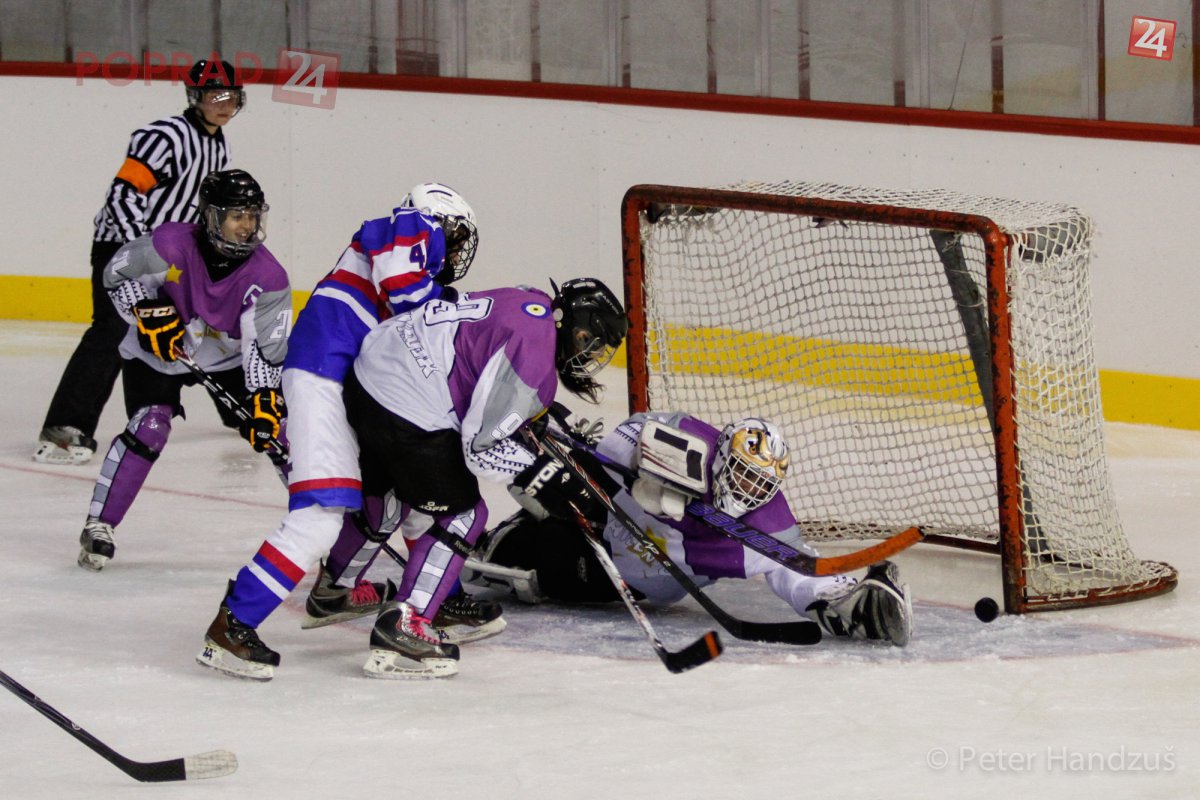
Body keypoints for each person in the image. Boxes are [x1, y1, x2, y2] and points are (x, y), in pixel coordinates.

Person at [199, 276, 628, 681]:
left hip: (369, 377)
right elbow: (481, 448)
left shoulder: (527, 299)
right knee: (463, 514)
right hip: (408, 405)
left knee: (393, 495)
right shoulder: (535, 355)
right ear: (574, 326)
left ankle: (336, 589)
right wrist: (540, 473)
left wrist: (527, 414)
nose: (589, 357)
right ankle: (406, 625)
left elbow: (477, 360)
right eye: (588, 342)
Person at [196, 184, 481, 681]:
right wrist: (452, 309)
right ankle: (233, 624)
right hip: (323, 374)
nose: (455, 251)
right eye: (454, 236)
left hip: (352, 385)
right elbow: (405, 292)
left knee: (412, 496)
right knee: (318, 519)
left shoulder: (409, 248)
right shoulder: (406, 226)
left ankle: (437, 598)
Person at [463, 411, 914, 647]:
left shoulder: (767, 526)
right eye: (742, 475)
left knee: (523, 564)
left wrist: (846, 602)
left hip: (630, 577)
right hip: (613, 508)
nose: (748, 490)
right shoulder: (686, 437)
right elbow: (622, 439)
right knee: (543, 472)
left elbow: (798, 570)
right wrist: (644, 477)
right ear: (722, 457)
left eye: (760, 484)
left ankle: (506, 546)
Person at [77, 169, 291, 571]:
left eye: (252, 215)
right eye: (237, 216)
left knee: (277, 431)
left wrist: (265, 399)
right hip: (161, 352)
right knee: (149, 425)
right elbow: (116, 274)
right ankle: (99, 524)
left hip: (227, 356)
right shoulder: (168, 245)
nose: (247, 226)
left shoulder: (269, 277)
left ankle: (326, 525)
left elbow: (265, 349)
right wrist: (144, 310)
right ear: (210, 216)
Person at [35, 59, 246, 466]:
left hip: (168, 256)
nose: (225, 104)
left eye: (232, 97)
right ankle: (65, 426)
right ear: (195, 97)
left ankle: (237, 409)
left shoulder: (220, 146)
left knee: (205, 323)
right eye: (215, 96)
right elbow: (123, 195)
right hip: (122, 247)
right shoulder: (164, 137)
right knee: (113, 330)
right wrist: (141, 251)